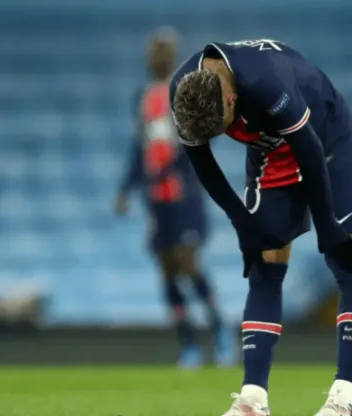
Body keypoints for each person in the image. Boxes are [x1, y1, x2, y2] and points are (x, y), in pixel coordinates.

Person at [170, 39, 352, 416]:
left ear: (231, 99)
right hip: (270, 151)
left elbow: (309, 150)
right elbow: (203, 164)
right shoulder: (184, 92)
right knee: (264, 263)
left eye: (222, 128)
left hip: (326, 138)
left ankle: (342, 399)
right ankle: (252, 401)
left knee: (347, 257)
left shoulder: (266, 80)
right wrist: (240, 221)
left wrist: (327, 223)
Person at [114, 28, 235, 369]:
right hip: (156, 199)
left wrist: (166, 172)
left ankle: (218, 329)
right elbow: (139, 149)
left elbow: (197, 142)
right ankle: (188, 343)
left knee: (188, 262)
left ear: (173, 56)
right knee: (167, 271)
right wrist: (127, 188)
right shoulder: (143, 98)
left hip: (184, 196)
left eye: (163, 52)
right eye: (154, 52)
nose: (157, 57)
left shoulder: (186, 91)